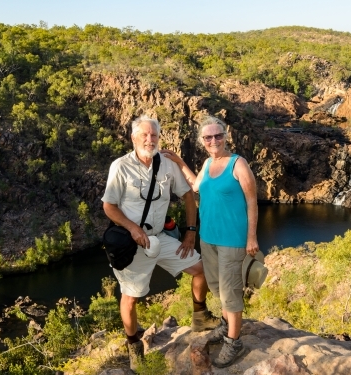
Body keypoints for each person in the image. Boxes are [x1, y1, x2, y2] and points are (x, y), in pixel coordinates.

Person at [101, 115, 219, 370]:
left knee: (201, 270)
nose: (149, 139)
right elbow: (108, 206)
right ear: (133, 137)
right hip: (132, 243)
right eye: (144, 134)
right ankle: (133, 346)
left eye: (154, 135)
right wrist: (132, 229)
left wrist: (190, 232)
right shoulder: (120, 167)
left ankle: (200, 316)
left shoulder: (166, 164)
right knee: (130, 298)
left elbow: (188, 195)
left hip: (161, 238)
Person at [163, 115, 259, 368]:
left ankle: (233, 341)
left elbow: (252, 201)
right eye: (208, 137)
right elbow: (196, 186)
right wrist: (179, 161)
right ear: (202, 141)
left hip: (232, 241)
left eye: (218, 135)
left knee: (230, 292)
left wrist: (251, 237)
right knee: (217, 287)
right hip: (208, 239)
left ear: (226, 136)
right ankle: (227, 326)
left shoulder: (238, 164)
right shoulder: (207, 163)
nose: (214, 140)